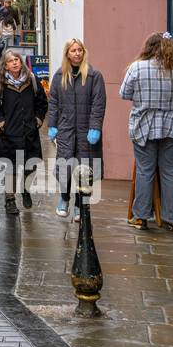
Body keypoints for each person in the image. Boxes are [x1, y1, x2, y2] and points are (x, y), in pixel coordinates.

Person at [120, 32, 173, 232]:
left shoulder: (136, 68)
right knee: (171, 171)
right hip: (172, 128)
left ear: (148, 47)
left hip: (143, 127)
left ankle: (141, 218)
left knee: (145, 171)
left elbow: (124, 93)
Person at [47, 38, 106, 219]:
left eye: (80, 50)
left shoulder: (94, 76)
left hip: (86, 132)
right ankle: (64, 199)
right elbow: (54, 103)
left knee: (84, 169)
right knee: (65, 166)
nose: (77, 53)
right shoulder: (59, 76)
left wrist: (95, 127)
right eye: (73, 50)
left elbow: (98, 104)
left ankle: (80, 205)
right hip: (66, 130)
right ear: (67, 53)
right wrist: (52, 125)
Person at [0, 49, 48, 215]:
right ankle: (10, 200)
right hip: (9, 135)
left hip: (29, 133)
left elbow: (42, 103)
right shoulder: (0, 84)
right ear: (5, 66)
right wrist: (1, 124)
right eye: (11, 61)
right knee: (11, 169)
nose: (15, 62)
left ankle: (25, 189)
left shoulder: (32, 80)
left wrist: (38, 119)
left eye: (17, 60)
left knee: (31, 166)